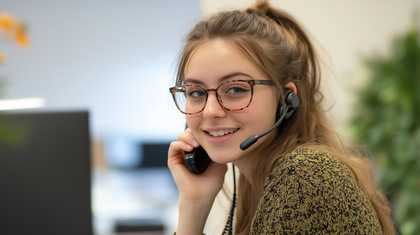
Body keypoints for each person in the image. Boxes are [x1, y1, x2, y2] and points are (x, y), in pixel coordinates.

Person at [167, 0, 395, 234]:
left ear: (285, 100)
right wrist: (193, 205)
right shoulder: (262, 185)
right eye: (196, 92)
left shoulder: (304, 177)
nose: (210, 111)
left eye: (236, 88)